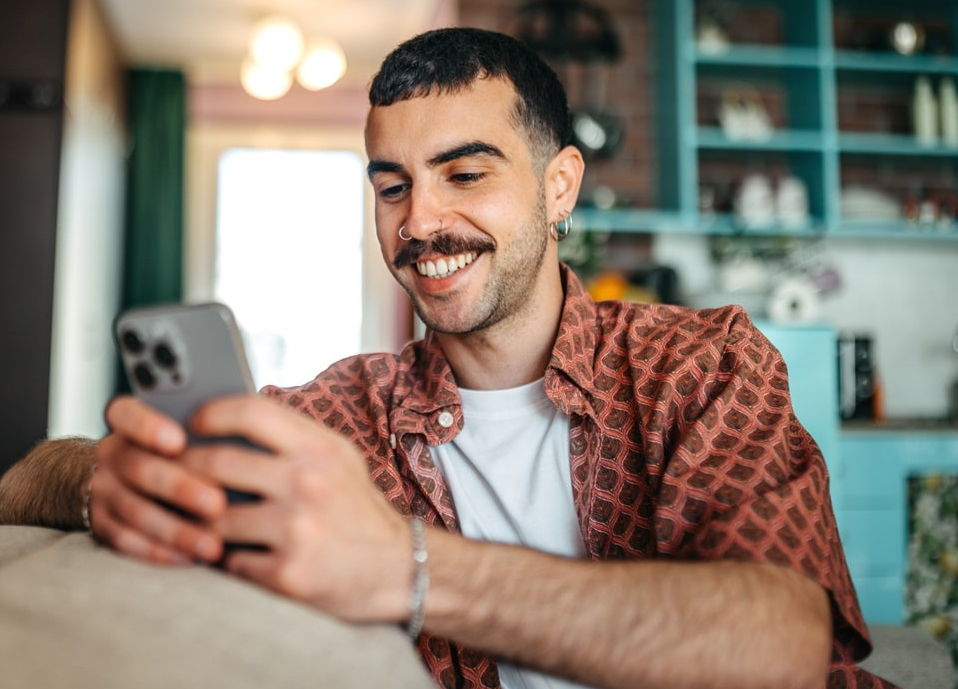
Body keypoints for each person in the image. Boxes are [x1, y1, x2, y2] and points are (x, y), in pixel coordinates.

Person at [0, 27, 895, 689]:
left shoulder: (702, 365)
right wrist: (98, 477)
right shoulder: (340, 417)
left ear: (559, 188)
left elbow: (777, 642)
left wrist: (404, 567)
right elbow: (25, 478)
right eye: (391, 186)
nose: (419, 221)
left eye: (465, 175)